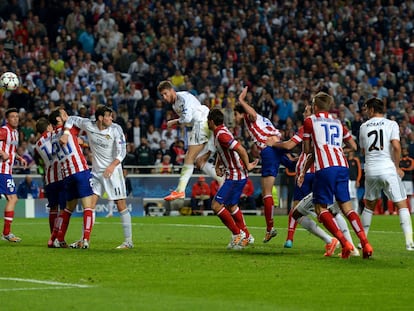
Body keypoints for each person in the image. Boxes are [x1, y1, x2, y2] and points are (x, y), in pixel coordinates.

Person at [267, 104, 358, 257]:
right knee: (330, 211)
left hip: (311, 175)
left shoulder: (309, 127)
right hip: (323, 172)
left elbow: (289, 145)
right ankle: (347, 245)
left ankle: (334, 241)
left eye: (307, 110)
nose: (304, 113)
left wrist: (273, 144)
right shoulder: (326, 126)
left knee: (301, 212)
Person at [300, 91, 373, 259]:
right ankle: (365, 243)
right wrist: (337, 148)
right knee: (347, 208)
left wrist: (319, 147)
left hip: (325, 167)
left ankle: (345, 243)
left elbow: (305, 150)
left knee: (320, 208)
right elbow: (353, 145)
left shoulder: (310, 120)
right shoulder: (338, 122)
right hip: (342, 166)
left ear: (315, 106)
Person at [62, 105, 133, 249]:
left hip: (113, 171)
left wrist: (112, 166)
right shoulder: (88, 124)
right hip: (96, 173)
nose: (112, 119)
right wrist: (66, 131)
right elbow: (71, 119)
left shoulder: (116, 129)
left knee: (120, 205)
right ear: (100, 118)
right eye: (109, 116)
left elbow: (122, 152)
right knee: (90, 205)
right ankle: (83, 239)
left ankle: (128, 241)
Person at [235, 86, 293, 243]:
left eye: (235, 114)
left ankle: (270, 228)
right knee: (295, 166)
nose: (234, 118)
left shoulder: (249, 117)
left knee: (266, 192)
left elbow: (251, 113)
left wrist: (241, 100)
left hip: (269, 150)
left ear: (241, 112)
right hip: (278, 145)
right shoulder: (261, 119)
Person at [359, 98, 414, 251]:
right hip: (387, 168)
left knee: (369, 206)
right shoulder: (391, 124)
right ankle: (409, 242)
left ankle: (363, 241)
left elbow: (363, 150)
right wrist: (397, 167)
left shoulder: (364, 127)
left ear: (371, 109)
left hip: (370, 169)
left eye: (366, 109)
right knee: (402, 204)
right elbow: (396, 146)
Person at [157, 81, 222, 201]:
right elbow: (187, 120)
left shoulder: (182, 98)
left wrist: (174, 121)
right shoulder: (174, 105)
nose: (164, 98)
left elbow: (187, 118)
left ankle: (180, 191)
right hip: (202, 124)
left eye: (165, 94)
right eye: (162, 96)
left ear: (171, 90)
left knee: (189, 158)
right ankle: (222, 180)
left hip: (201, 123)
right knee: (199, 162)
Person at [207, 108, 258, 249]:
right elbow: (222, 150)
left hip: (236, 175)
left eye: (207, 121)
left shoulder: (222, 135)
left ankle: (237, 234)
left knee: (216, 206)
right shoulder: (220, 132)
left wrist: (248, 165)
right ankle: (247, 236)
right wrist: (218, 164)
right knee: (231, 206)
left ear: (211, 121)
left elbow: (240, 149)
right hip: (235, 174)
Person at [48, 108, 95, 249]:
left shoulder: (52, 136)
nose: (67, 116)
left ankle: (59, 239)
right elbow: (74, 120)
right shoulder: (67, 129)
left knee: (68, 208)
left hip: (67, 174)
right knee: (89, 206)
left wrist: (79, 141)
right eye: (64, 114)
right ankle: (85, 239)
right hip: (80, 170)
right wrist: (70, 133)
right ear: (58, 119)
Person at [34, 117, 66, 247]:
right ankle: (57, 237)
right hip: (61, 175)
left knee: (53, 208)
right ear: (48, 127)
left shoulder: (37, 145)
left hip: (49, 178)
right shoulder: (54, 134)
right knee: (63, 208)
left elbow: (40, 161)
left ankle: (52, 238)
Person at [0, 108, 27, 243]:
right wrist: (1, 152)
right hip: (1, 170)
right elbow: (3, 150)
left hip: (6, 171)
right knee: (13, 198)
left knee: (12, 198)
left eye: (17, 116)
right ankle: (6, 233)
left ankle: (6, 232)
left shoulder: (15, 133)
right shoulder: (4, 130)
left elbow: (9, 149)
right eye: (12, 117)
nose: (16, 118)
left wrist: (18, 157)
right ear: (7, 119)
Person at [400, 147, 414, 213]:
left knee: (410, 195)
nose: (404, 152)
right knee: (402, 195)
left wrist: (403, 169)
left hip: (408, 180)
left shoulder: (411, 160)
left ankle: (412, 210)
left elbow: (411, 168)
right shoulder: (400, 160)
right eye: (403, 151)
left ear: (408, 152)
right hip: (401, 180)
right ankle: (403, 210)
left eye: (405, 151)